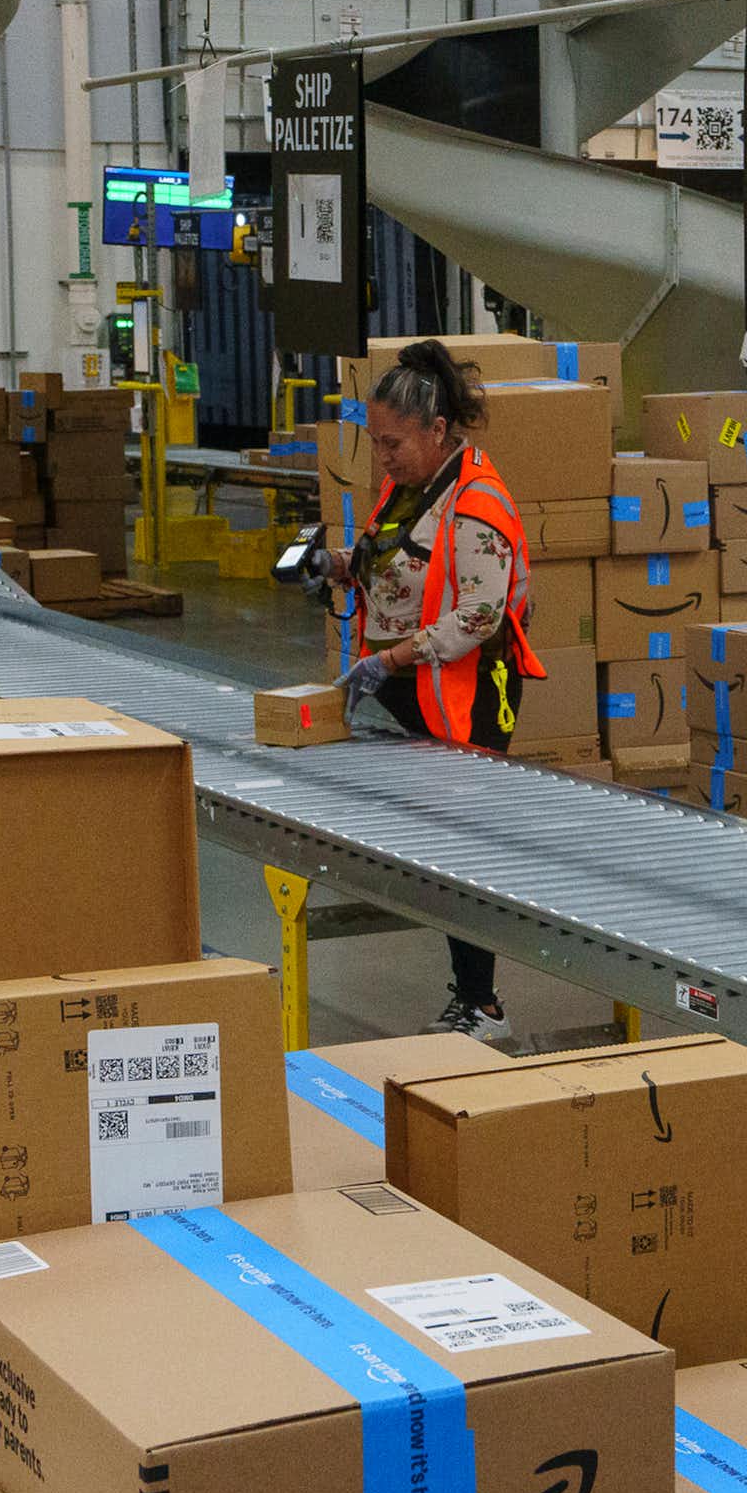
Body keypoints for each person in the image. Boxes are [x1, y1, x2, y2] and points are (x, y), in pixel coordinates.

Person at [326, 338, 545, 1041]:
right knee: (434, 847)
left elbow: (479, 614)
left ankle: (482, 1005)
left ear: (438, 430)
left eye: (393, 443)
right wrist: (332, 566)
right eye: (376, 443)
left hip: (466, 689)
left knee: (461, 850)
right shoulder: (410, 489)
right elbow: (391, 568)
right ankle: (469, 994)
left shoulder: (478, 501)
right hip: (409, 680)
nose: (382, 458)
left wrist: (395, 660)